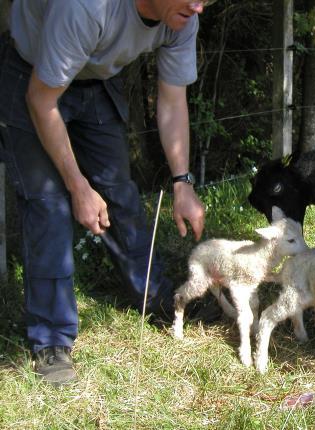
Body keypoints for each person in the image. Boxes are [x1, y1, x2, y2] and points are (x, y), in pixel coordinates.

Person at [0, 0, 215, 386]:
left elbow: (171, 100)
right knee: (48, 205)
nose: (199, 6)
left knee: (119, 194)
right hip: (34, 77)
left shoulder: (183, 16)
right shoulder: (86, 6)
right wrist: (78, 185)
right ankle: (51, 340)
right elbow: (41, 100)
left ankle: (159, 301)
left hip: (96, 81)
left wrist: (182, 182)